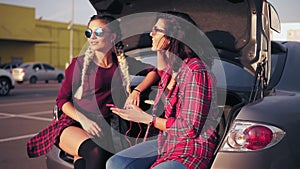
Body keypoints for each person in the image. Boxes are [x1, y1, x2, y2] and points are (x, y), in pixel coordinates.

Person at [27, 14, 159, 169]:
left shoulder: (122, 63)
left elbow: (153, 72)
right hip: (76, 123)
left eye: (99, 32)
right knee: (96, 151)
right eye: (89, 33)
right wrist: (84, 120)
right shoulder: (80, 64)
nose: (92, 37)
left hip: (106, 127)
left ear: (113, 37)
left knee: (85, 162)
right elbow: (62, 100)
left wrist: (137, 91)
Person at [106, 11, 219, 169]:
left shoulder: (195, 71)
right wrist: (136, 93)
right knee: (115, 163)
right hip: (166, 141)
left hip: (191, 147)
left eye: (157, 30)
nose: (151, 34)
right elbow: (160, 71)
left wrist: (146, 118)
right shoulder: (172, 70)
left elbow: (190, 129)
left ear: (174, 36)